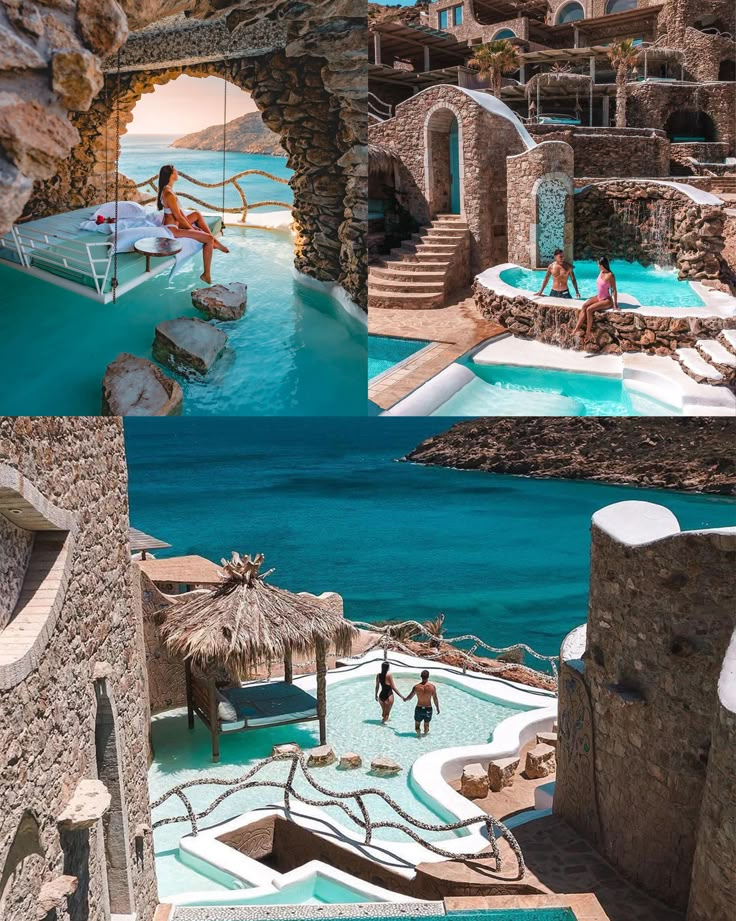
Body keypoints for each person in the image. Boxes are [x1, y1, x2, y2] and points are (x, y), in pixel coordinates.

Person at [157, 164, 229, 284]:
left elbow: (180, 214)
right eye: (176, 171)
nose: (177, 173)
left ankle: (216, 243)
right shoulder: (169, 194)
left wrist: (194, 228)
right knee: (208, 239)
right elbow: (179, 217)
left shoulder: (169, 190)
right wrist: (192, 229)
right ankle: (206, 274)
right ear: (171, 175)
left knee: (196, 214)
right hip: (172, 229)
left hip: (175, 224)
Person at [572, 256, 618, 346]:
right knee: (584, 306)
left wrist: (615, 304)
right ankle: (576, 328)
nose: (597, 265)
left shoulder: (610, 275)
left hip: (606, 300)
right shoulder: (601, 272)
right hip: (598, 297)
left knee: (589, 309)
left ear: (602, 264)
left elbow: (614, 290)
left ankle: (588, 333)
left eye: (598, 264)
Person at [405, 669, 440, 736]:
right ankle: (425, 736)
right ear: (428, 677)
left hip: (419, 708)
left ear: (421, 676)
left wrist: (405, 699)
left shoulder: (416, 687)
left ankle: (418, 736)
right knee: (426, 726)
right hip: (428, 709)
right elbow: (435, 699)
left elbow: (410, 697)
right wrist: (437, 708)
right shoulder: (432, 687)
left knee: (417, 726)